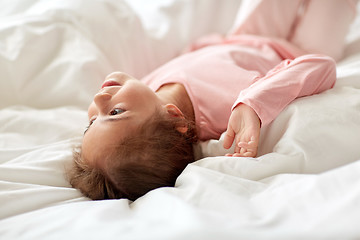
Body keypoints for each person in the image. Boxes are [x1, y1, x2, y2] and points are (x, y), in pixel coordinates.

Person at [68, 0, 357, 201]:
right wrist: (253, 104)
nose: (99, 98)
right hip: (298, 49)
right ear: (174, 118)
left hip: (246, 37)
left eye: (92, 122)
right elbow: (319, 64)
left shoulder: (148, 88)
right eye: (115, 112)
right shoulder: (227, 108)